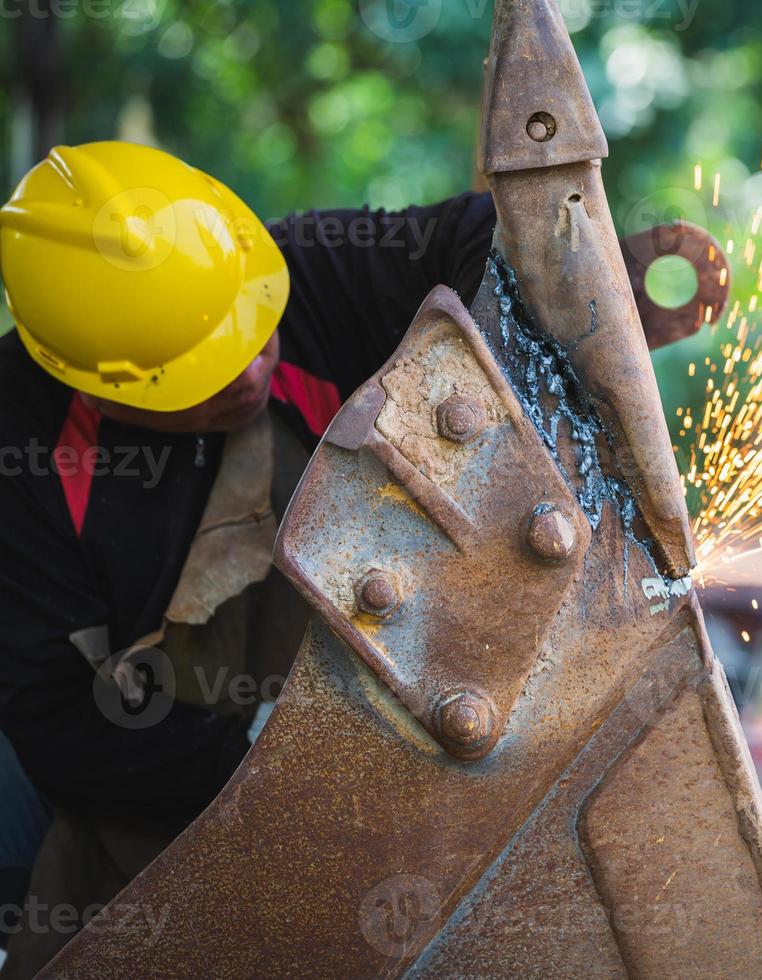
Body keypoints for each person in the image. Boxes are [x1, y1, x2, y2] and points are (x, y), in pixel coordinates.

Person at [0, 140, 501, 976]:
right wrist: (286, 766)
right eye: (199, 375)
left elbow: (480, 233)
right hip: (157, 768)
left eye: (253, 328)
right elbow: (57, 719)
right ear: (96, 387)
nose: (250, 368)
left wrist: (587, 292)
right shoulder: (20, 447)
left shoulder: (300, 267)